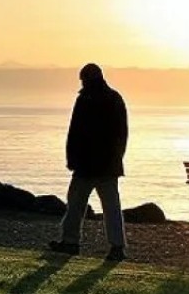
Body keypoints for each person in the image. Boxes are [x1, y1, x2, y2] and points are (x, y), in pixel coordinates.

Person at [49, 63, 129, 261]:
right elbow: (122, 134)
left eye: (83, 79)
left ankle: (70, 242)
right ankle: (116, 247)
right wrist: (117, 158)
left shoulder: (85, 99)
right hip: (106, 166)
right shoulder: (114, 98)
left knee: (76, 204)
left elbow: (75, 132)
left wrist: (71, 158)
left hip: (86, 165)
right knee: (111, 207)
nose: (82, 83)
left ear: (87, 80)